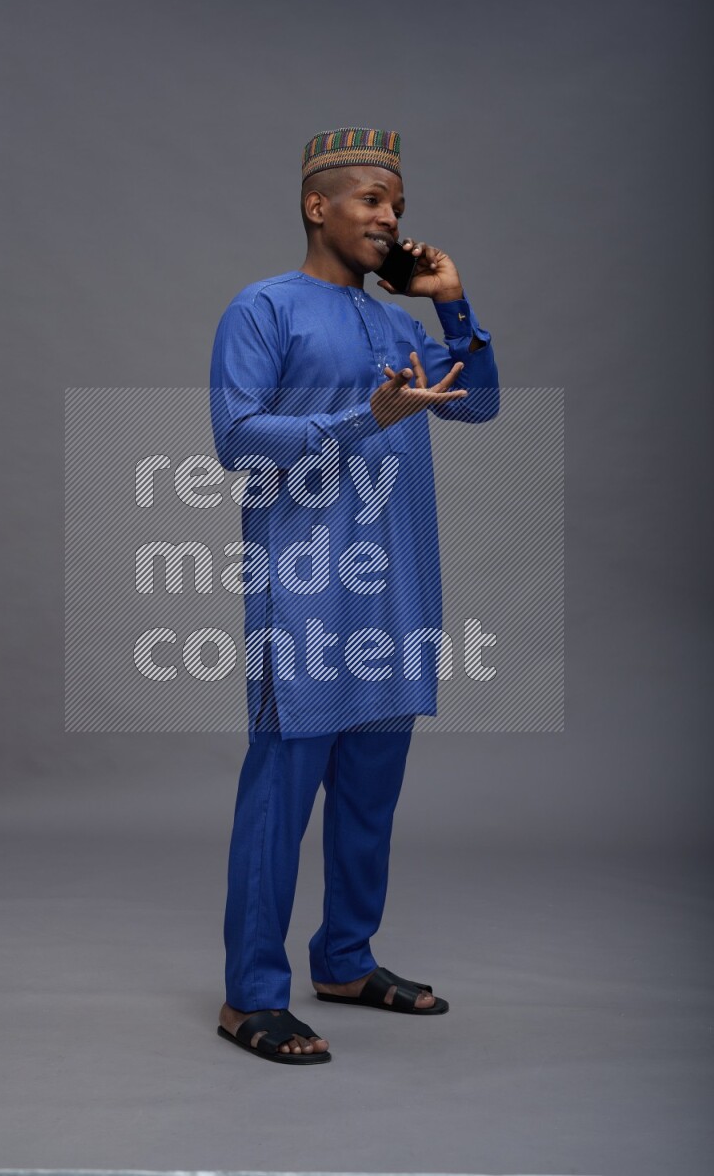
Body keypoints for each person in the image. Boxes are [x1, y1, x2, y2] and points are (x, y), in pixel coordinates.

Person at [209, 127, 500, 1064]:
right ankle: (251, 994)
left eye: (398, 207)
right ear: (316, 205)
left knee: (370, 800)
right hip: (306, 594)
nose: (389, 218)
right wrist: (361, 417)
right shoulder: (262, 309)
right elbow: (239, 439)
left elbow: (479, 404)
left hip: (397, 593)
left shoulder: (396, 325)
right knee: (279, 803)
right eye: (372, 199)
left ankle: (344, 957)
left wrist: (452, 308)